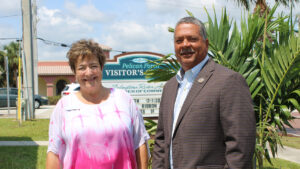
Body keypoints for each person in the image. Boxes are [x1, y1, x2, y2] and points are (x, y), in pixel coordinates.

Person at [152, 17, 256, 169]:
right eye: (179, 40)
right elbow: (161, 140)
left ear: (206, 44)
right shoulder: (170, 87)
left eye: (192, 39)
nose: (185, 44)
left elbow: (241, 146)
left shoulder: (228, 81)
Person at [46, 39, 149, 169]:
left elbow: (139, 144)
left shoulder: (124, 99)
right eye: (81, 68)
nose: (88, 73)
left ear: (101, 68)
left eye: (93, 66)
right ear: (75, 73)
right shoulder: (63, 106)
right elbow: (54, 153)